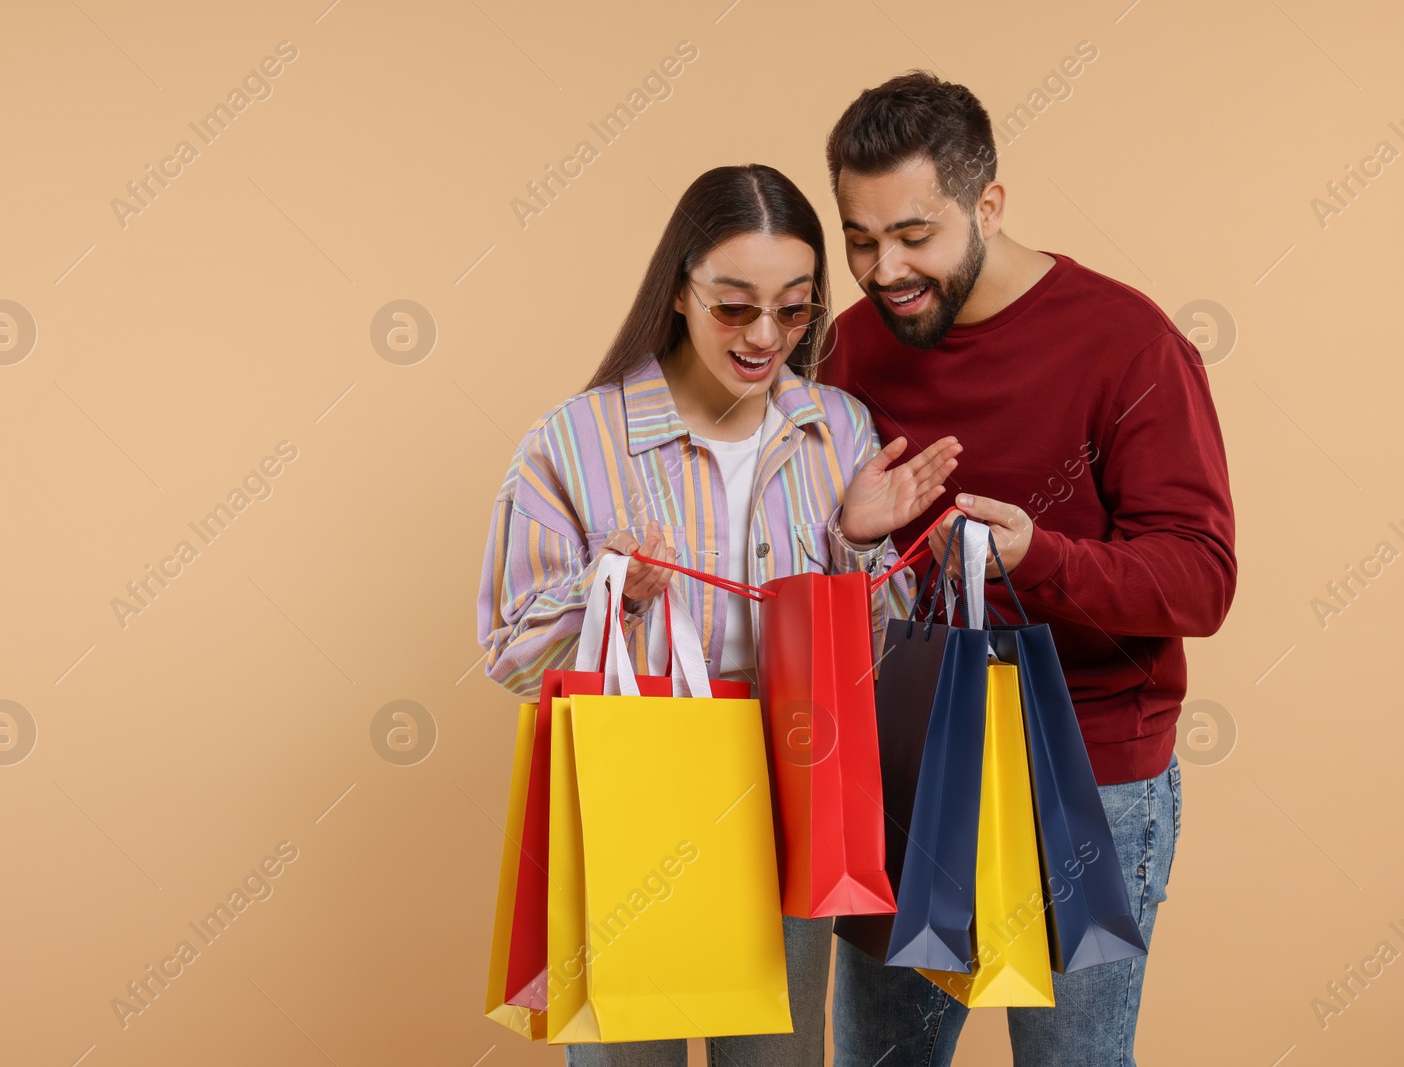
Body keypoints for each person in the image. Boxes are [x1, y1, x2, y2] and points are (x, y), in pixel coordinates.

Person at [477, 163, 961, 1067]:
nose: (766, 335)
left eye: (794, 308)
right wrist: (604, 596)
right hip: (635, 789)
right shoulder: (576, 441)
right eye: (735, 307)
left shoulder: (839, 430)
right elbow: (508, 652)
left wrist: (859, 543)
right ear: (678, 292)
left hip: (797, 786)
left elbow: (880, 661)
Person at [818, 72, 1237, 1066]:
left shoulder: (1128, 344)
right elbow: (821, 553)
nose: (884, 268)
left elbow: (1200, 578)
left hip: (1088, 774)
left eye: (913, 234)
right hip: (912, 768)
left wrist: (1035, 558)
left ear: (989, 204)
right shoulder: (850, 346)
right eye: (860, 238)